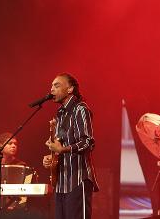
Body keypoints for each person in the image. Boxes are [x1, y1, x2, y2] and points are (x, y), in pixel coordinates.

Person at [43, 73, 99, 219]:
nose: (52, 90)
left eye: (56, 85)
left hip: (77, 179)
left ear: (70, 89)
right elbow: (60, 146)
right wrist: (52, 158)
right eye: (51, 86)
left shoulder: (80, 109)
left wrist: (62, 149)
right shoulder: (60, 114)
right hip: (61, 183)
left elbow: (88, 142)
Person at [0, 132, 34, 216]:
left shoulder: (21, 166)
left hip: (16, 212)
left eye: (15, 144)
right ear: (0, 146)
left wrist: (21, 202)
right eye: (10, 143)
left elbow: (25, 192)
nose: (14, 146)